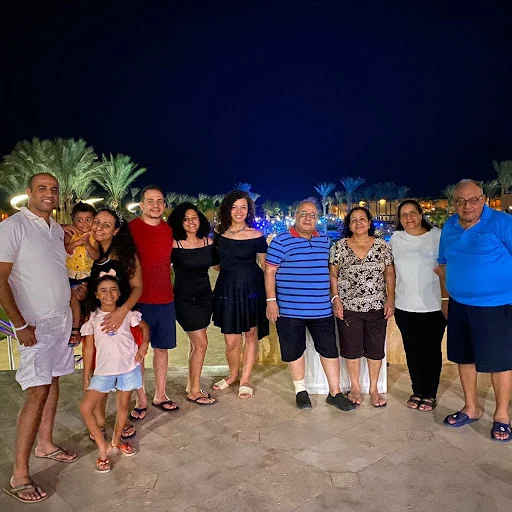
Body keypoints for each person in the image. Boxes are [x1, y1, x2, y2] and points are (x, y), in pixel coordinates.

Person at [0, 173, 78, 504]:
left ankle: (45, 444)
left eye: (54, 189)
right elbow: (1, 279)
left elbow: (52, 265)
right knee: (37, 391)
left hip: (60, 320)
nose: (49, 193)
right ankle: (19, 474)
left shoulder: (55, 229)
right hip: (35, 325)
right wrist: (19, 325)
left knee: (53, 381)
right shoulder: (12, 227)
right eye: (42, 188)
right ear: (28, 192)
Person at [436, 179, 512, 442]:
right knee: (464, 357)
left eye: (473, 200)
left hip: (496, 307)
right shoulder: (449, 226)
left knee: (500, 362)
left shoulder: (503, 223)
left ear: (483, 200)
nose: (467, 205)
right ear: (454, 203)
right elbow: (443, 265)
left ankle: (502, 416)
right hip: (459, 305)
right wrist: (445, 299)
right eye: (460, 201)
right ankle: (472, 408)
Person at [265, 198, 355, 411]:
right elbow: (269, 272)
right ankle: (301, 391)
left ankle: (335, 393)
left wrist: (335, 298)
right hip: (289, 310)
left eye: (312, 215)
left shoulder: (325, 240)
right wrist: (271, 301)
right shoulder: (281, 241)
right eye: (303, 214)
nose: (308, 218)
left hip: (321, 309)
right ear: (295, 216)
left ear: (317, 219)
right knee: (294, 351)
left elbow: (333, 270)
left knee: (329, 350)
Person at [79, 207, 143, 441]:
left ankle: (122, 419)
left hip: (123, 322)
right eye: (96, 222)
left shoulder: (125, 255)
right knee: (100, 369)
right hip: (98, 323)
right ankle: (99, 421)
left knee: (124, 369)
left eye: (107, 225)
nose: (99, 228)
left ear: (116, 230)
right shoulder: (95, 253)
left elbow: (138, 286)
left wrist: (121, 313)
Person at [80, 271, 149, 473]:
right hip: (104, 371)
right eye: (103, 290)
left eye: (113, 290)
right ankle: (103, 447)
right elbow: (88, 348)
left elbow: (144, 327)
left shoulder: (128, 313)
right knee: (86, 407)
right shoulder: (92, 318)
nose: (108, 294)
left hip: (128, 368)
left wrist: (144, 346)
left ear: (119, 293)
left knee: (123, 407)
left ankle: (117, 441)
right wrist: (86, 375)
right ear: (96, 294)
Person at [329, 207, 395, 408]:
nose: (358, 223)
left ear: (369, 222)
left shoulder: (382, 246)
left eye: (362, 219)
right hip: (348, 307)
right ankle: (355, 387)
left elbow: (389, 273)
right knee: (351, 349)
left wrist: (390, 298)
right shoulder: (339, 247)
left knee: (375, 349)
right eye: (354, 220)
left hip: (377, 306)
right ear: (349, 225)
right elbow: (333, 275)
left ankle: (374, 389)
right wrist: (336, 299)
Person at [390, 200, 447, 412]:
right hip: (404, 306)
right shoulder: (396, 239)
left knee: (431, 351)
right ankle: (417, 390)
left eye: (412, 213)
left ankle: (429, 393)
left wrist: (446, 299)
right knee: (412, 351)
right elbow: (390, 270)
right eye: (404, 214)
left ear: (421, 214)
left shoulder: (438, 236)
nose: (409, 218)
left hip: (433, 306)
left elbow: (448, 266)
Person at [212, 190, 269, 398]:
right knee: (231, 341)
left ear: (249, 210)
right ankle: (232, 375)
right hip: (227, 290)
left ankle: (245, 379)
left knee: (250, 335)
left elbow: (266, 267)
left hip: (252, 290)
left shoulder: (256, 236)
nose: (239, 211)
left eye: (243, 207)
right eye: (234, 207)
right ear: (228, 209)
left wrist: (271, 296)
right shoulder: (219, 235)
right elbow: (216, 265)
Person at [129, 185, 178, 417]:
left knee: (162, 349)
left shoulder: (169, 230)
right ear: (141, 205)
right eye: (150, 201)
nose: (155, 205)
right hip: (139, 300)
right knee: (138, 351)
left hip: (165, 299)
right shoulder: (131, 229)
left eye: (159, 201)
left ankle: (160, 394)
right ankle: (140, 399)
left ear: (164, 205)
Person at [169, 202, 218, 405]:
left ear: (200, 220)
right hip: (184, 300)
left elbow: (218, 266)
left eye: (194, 218)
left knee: (195, 344)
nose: (191, 222)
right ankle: (194, 392)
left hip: (205, 298)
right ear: (180, 223)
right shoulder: (175, 245)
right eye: (186, 219)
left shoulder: (208, 242)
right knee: (201, 344)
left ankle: (192, 384)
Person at [65, 202, 99, 346]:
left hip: (86, 275)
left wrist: (87, 245)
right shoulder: (69, 234)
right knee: (72, 299)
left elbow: (96, 255)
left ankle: (80, 329)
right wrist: (78, 242)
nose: (84, 223)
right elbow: (66, 248)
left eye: (88, 219)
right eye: (79, 220)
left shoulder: (95, 237)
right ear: (73, 221)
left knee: (81, 299)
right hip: (70, 274)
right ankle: (74, 328)